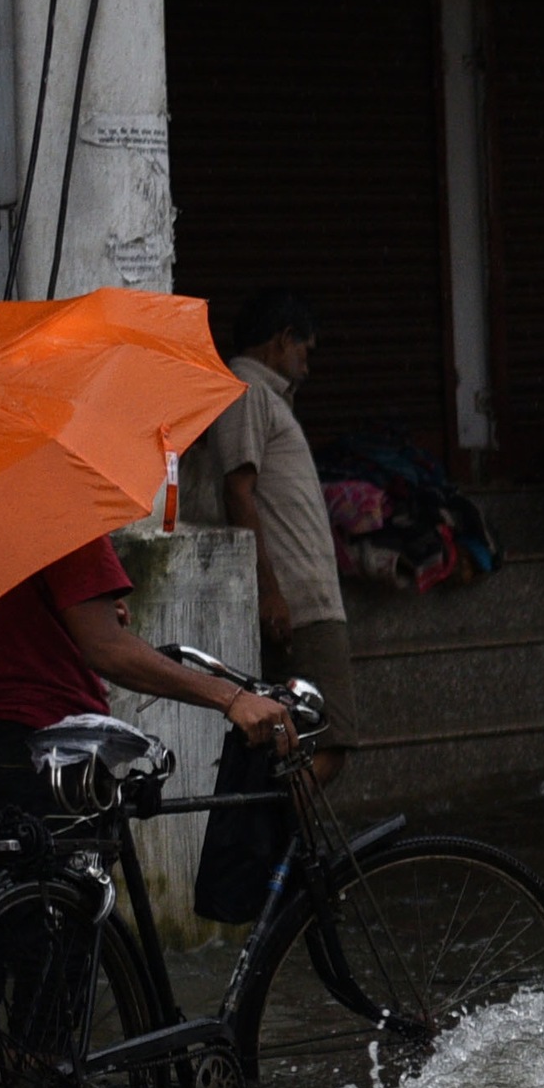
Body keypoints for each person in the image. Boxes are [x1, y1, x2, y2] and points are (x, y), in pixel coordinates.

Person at [0, 531, 294, 906]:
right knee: (49, 946)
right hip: (41, 757)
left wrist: (81, 610)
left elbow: (5, 613)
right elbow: (107, 649)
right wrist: (230, 698)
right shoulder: (53, 501)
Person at [180, 284, 348, 748]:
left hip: (307, 601)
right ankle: (277, 825)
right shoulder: (248, 388)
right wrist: (271, 593)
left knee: (313, 743)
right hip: (296, 605)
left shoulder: (265, 397)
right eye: (304, 351)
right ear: (283, 337)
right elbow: (238, 489)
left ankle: (277, 823)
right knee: (328, 744)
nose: (306, 366)